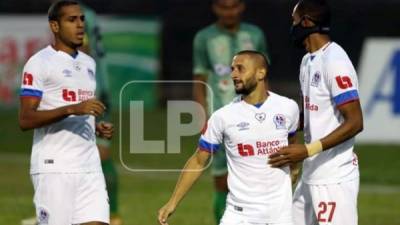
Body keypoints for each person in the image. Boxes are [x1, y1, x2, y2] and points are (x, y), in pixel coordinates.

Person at [159, 50, 299, 225]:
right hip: (240, 215)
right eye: (232, 69)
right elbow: (198, 161)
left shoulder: (288, 108)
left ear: (261, 73)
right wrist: (172, 203)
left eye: (240, 69)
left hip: (281, 215)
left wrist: (294, 168)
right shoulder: (223, 117)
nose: (233, 74)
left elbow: (292, 142)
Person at [268, 0, 364, 225]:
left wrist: (307, 150)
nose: (292, 28)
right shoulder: (307, 61)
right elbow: (312, 115)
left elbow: (356, 121)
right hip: (311, 172)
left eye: (294, 21)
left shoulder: (336, 61)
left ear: (306, 22)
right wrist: (278, 124)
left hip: (334, 178)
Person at [19, 1, 113, 224]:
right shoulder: (39, 63)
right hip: (55, 168)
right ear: (55, 26)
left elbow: (79, 112)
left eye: (81, 19)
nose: (80, 25)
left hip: (89, 167)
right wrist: (73, 109)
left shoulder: (88, 63)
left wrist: (95, 127)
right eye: (72, 20)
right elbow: (25, 119)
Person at [192, 0, 270, 222]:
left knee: (256, 179)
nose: (229, 12)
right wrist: (202, 116)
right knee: (221, 181)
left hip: (253, 115)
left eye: (233, 6)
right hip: (221, 115)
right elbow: (200, 80)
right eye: (224, 7)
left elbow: (264, 78)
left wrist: (268, 110)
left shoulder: (255, 34)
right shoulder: (204, 38)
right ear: (215, 8)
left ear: (242, 6)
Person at [79, 3, 122, 225]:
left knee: (93, 153)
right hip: (100, 86)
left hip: (89, 89)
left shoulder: (73, 12)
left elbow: (82, 49)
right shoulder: (89, 13)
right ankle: (111, 213)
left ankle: (109, 213)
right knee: (100, 152)